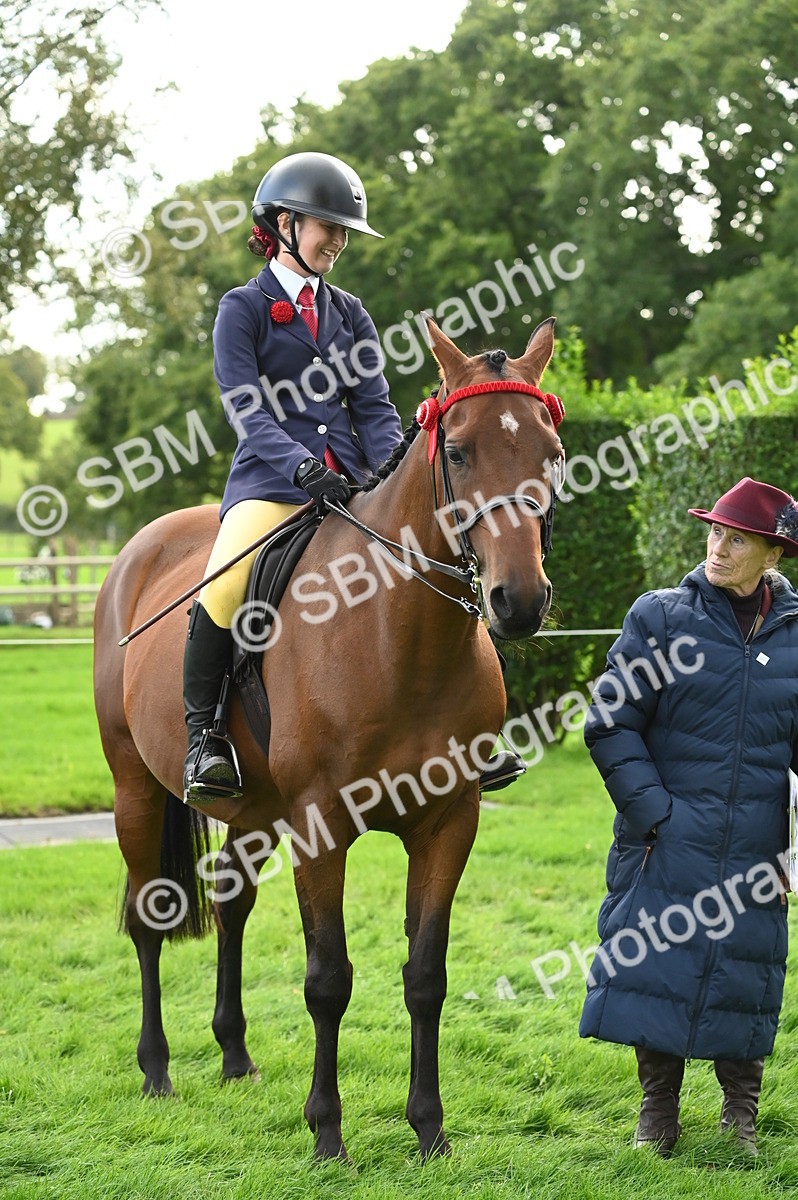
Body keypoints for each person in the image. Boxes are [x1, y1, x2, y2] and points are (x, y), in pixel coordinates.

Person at [182, 150, 525, 806]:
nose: (338, 242)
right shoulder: (242, 308)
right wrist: (299, 466)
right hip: (272, 486)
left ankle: (474, 734)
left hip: (354, 488)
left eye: (344, 232)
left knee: (445, 567)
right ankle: (206, 738)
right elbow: (246, 409)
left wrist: (393, 475)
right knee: (224, 583)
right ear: (284, 224)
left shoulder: (350, 313)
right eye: (328, 228)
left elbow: (373, 407)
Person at [578, 476, 798, 1158]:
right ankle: (657, 1113)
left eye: (738, 540)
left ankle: (740, 1115)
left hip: (760, 843)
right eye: (715, 532)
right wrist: (655, 815)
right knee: (658, 968)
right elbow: (610, 722)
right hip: (666, 839)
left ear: (773, 555)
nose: (719, 548)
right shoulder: (661, 618)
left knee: (747, 972)